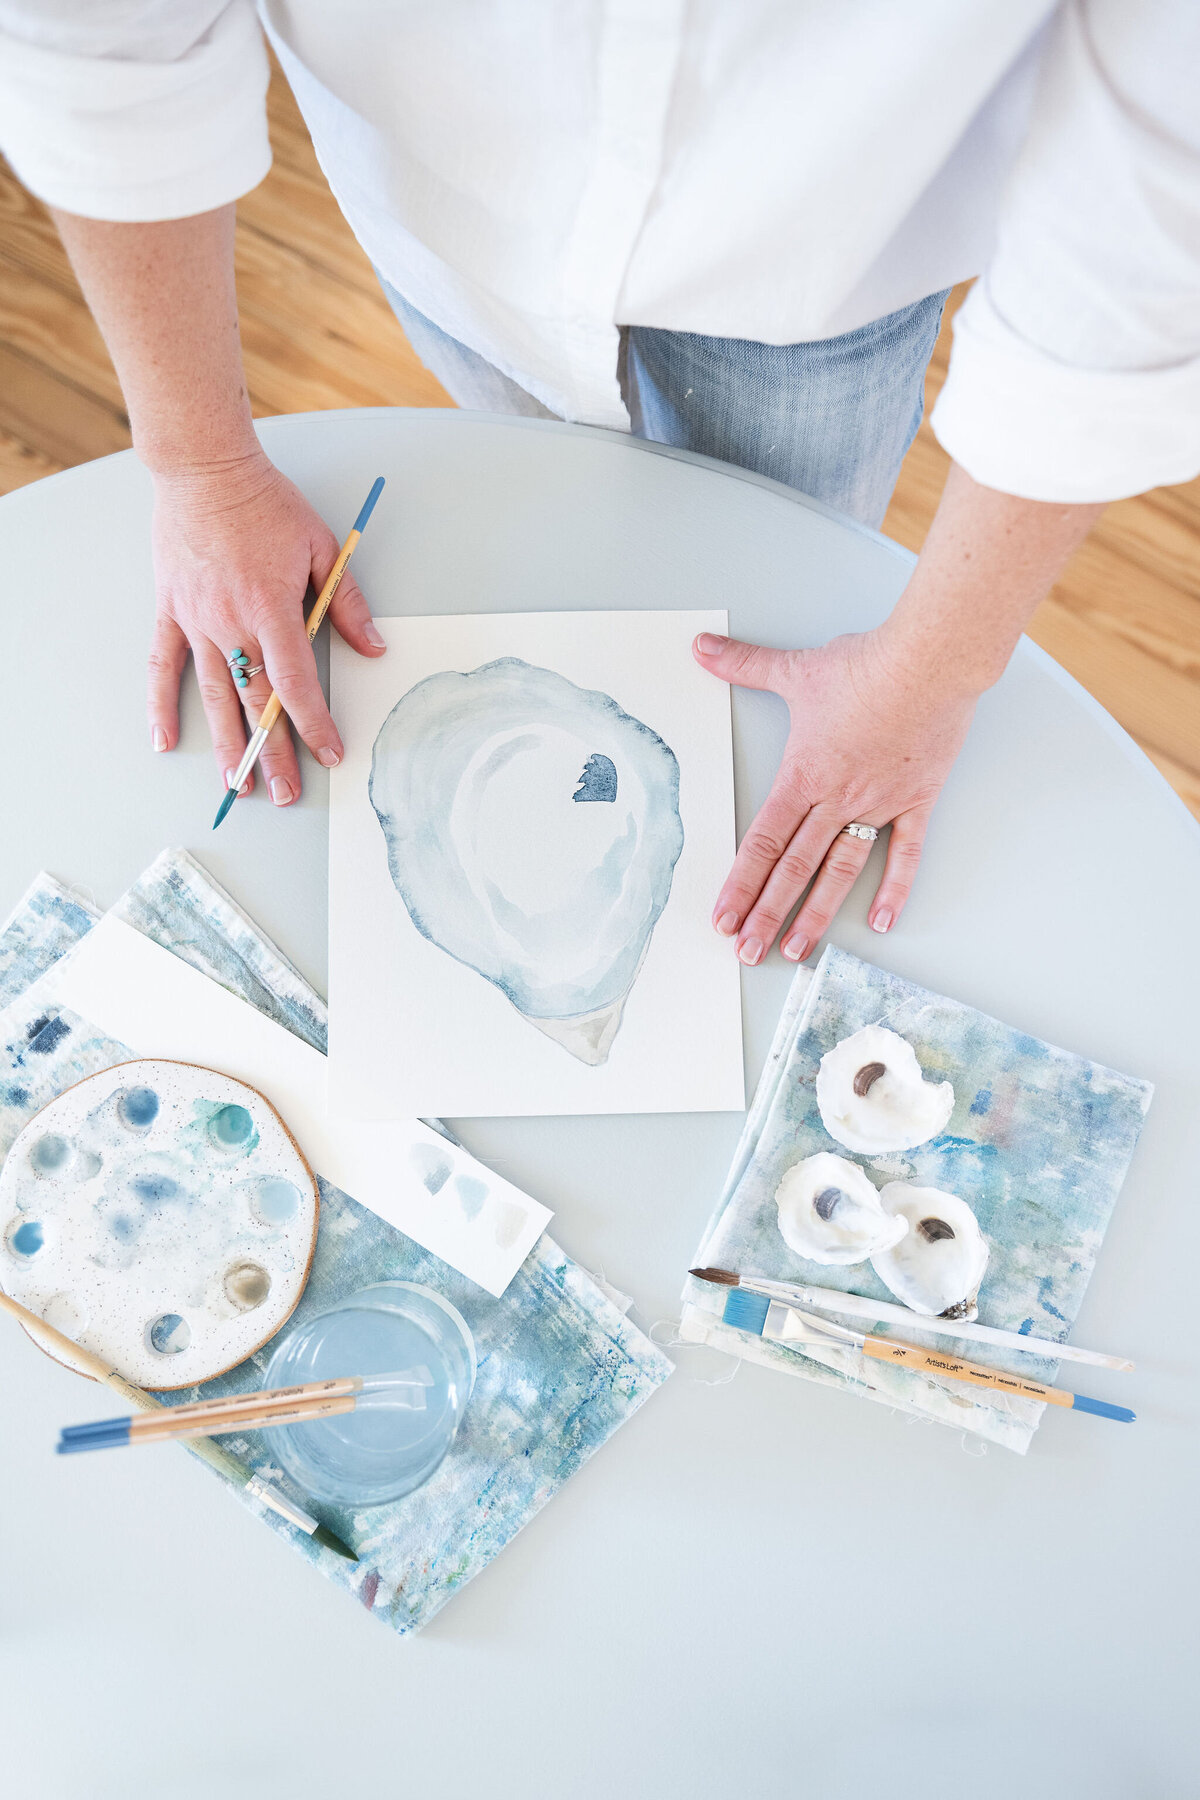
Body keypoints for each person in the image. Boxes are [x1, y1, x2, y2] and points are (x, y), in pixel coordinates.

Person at [2, 2, 1197, 966]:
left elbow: (1145, 228)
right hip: (444, 225)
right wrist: (201, 465)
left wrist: (937, 671)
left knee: (774, 597)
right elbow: (95, 44)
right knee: (535, 470)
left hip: (829, 277)